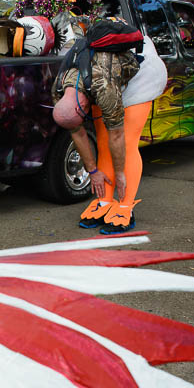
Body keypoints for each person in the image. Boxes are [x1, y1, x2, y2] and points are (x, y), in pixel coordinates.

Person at [52, 16, 159, 234]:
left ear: (84, 104)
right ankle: (104, 202)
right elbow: (77, 132)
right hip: (101, 78)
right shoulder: (59, 90)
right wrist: (92, 171)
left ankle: (126, 205)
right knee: (102, 141)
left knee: (126, 142)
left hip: (142, 74)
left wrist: (120, 174)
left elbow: (117, 137)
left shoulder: (104, 90)